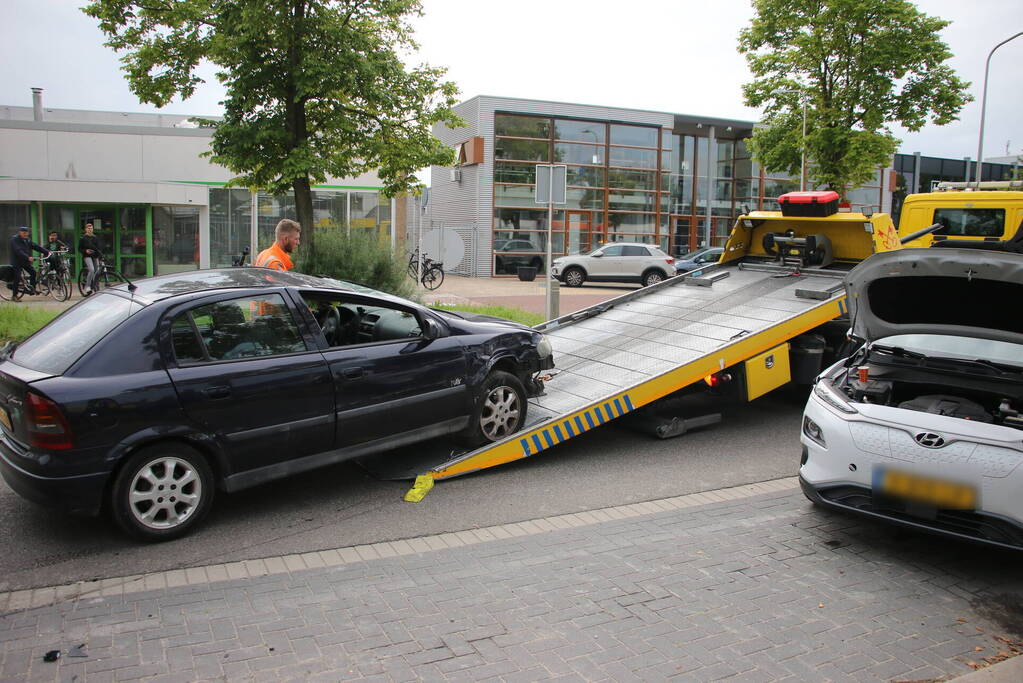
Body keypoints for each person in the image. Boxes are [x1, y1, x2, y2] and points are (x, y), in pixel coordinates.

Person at [8, 226, 47, 299]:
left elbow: (36, 246)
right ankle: (14, 296)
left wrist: (47, 252)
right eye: (24, 233)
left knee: (33, 273)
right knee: (17, 277)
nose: (25, 234)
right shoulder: (14, 239)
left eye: (27, 233)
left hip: (25, 261)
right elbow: (18, 250)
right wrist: (27, 257)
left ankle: (32, 289)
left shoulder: (27, 240)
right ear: (19, 233)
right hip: (17, 262)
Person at [79, 223, 103, 295]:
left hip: (95, 256)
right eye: (88, 228)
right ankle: (88, 286)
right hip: (87, 256)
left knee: (97, 271)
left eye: (91, 228)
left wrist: (99, 255)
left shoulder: (95, 237)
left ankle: (95, 286)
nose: (90, 230)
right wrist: (85, 251)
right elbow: (79, 249)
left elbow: (98, 248)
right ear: (86, 229)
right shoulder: (83, 238)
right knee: (92, 269)